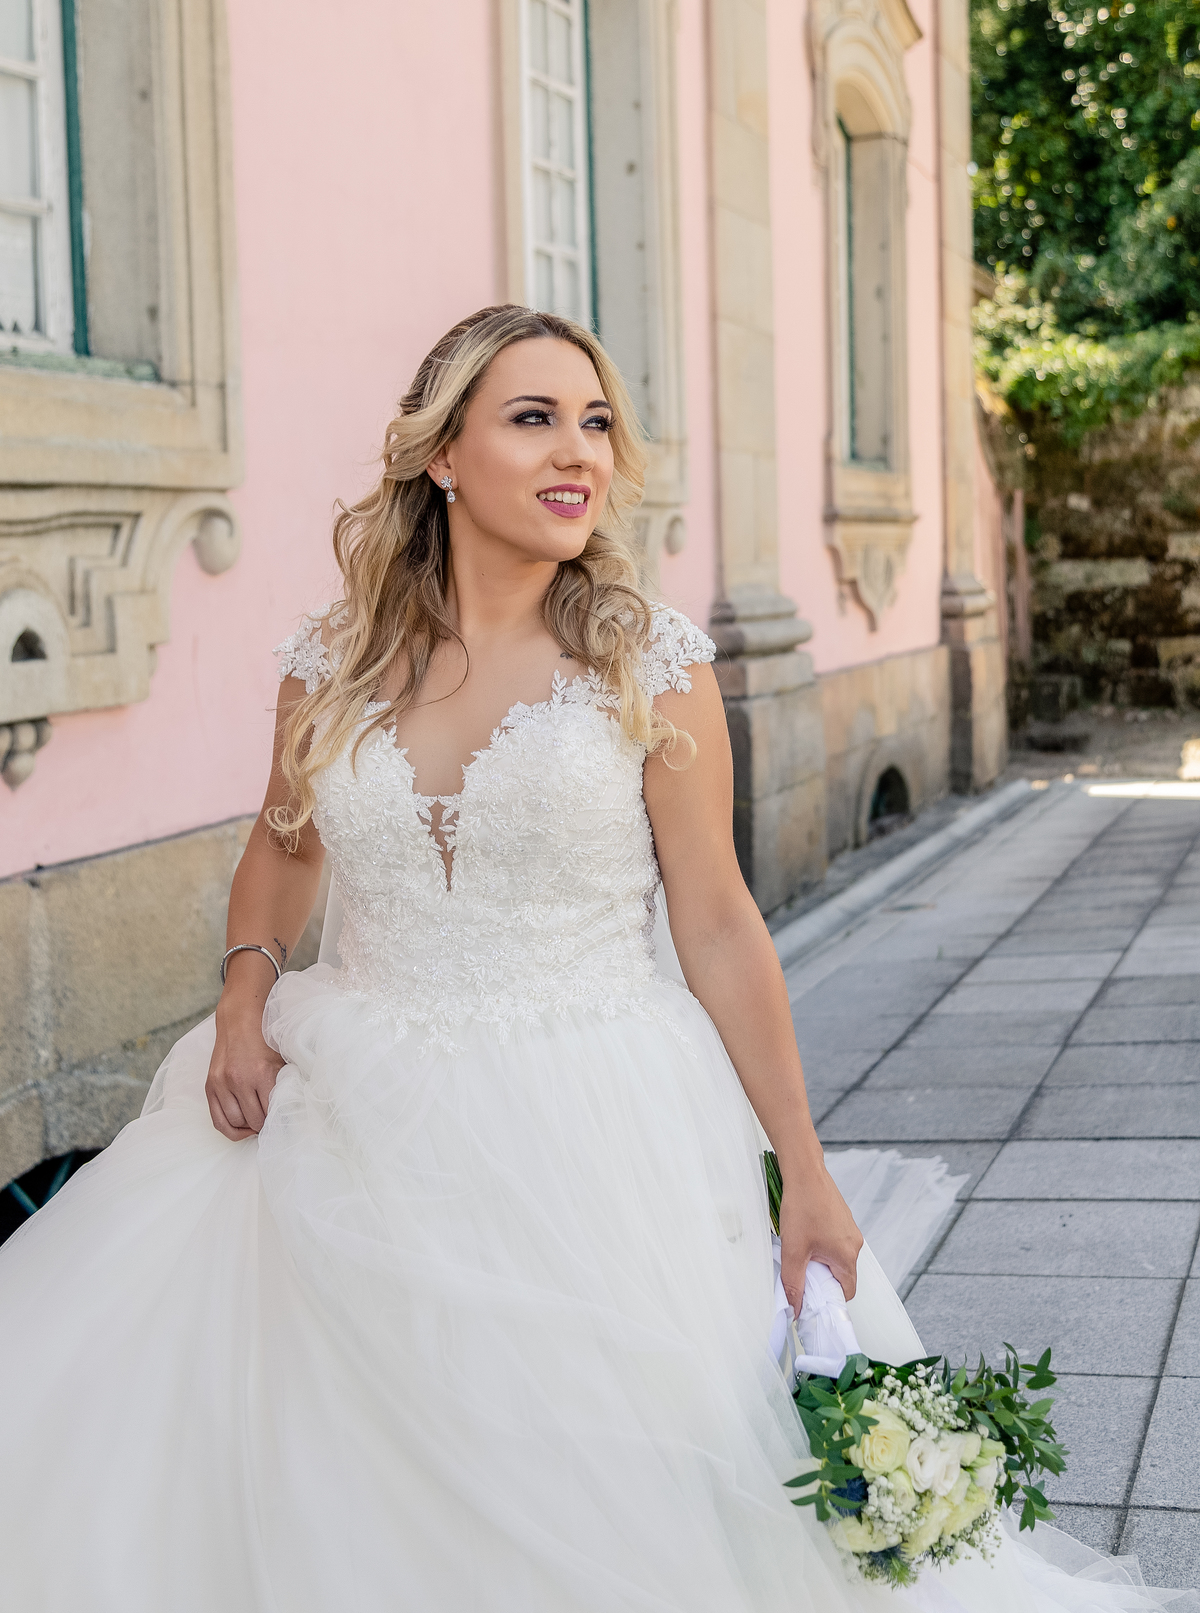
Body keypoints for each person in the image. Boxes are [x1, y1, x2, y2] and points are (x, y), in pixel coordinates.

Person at [0, 306, 1189, 1612]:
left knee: (603, 1478)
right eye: (533, 417)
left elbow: (722, 921)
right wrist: (241, 992)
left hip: (589, 1121)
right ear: (440, 455)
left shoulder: (651, 666)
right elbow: (283, 849)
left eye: (597, 420)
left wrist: (805, 1169)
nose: (579, 451)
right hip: (340, 1101)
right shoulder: (328, 666)